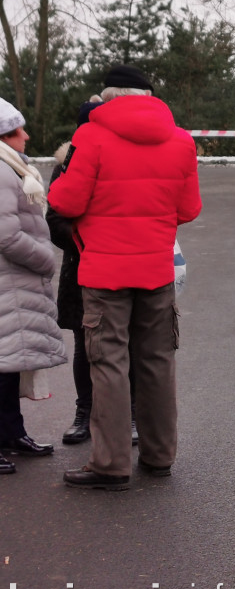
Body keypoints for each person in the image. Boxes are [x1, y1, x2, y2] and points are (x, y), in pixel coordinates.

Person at [48, 64, 202, 490]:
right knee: (157, 362)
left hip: (104, 272)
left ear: (109, 97)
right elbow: (189, 210)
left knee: (109, 363)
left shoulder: (90, 136)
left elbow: (65, 200)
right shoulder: (181, 141)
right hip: (156, 270)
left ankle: (110, 464)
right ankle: (159, 455)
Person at [47, 98, 140, 447]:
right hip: (82, 270)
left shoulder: (121, 159)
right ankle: (84, 413)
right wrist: (89, 242)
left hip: (123, 267)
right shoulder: (66, 165)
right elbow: (55, 220)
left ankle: (130, 414)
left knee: (126, 346)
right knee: (86, 349)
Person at [0, 98, 65, 473]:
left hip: (13, 283)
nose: (25, 136)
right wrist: (44, 259)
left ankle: (11, 432)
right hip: (9, 280)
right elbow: (7, 236)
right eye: (14, 131)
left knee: (9, 364)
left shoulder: (12, 165)